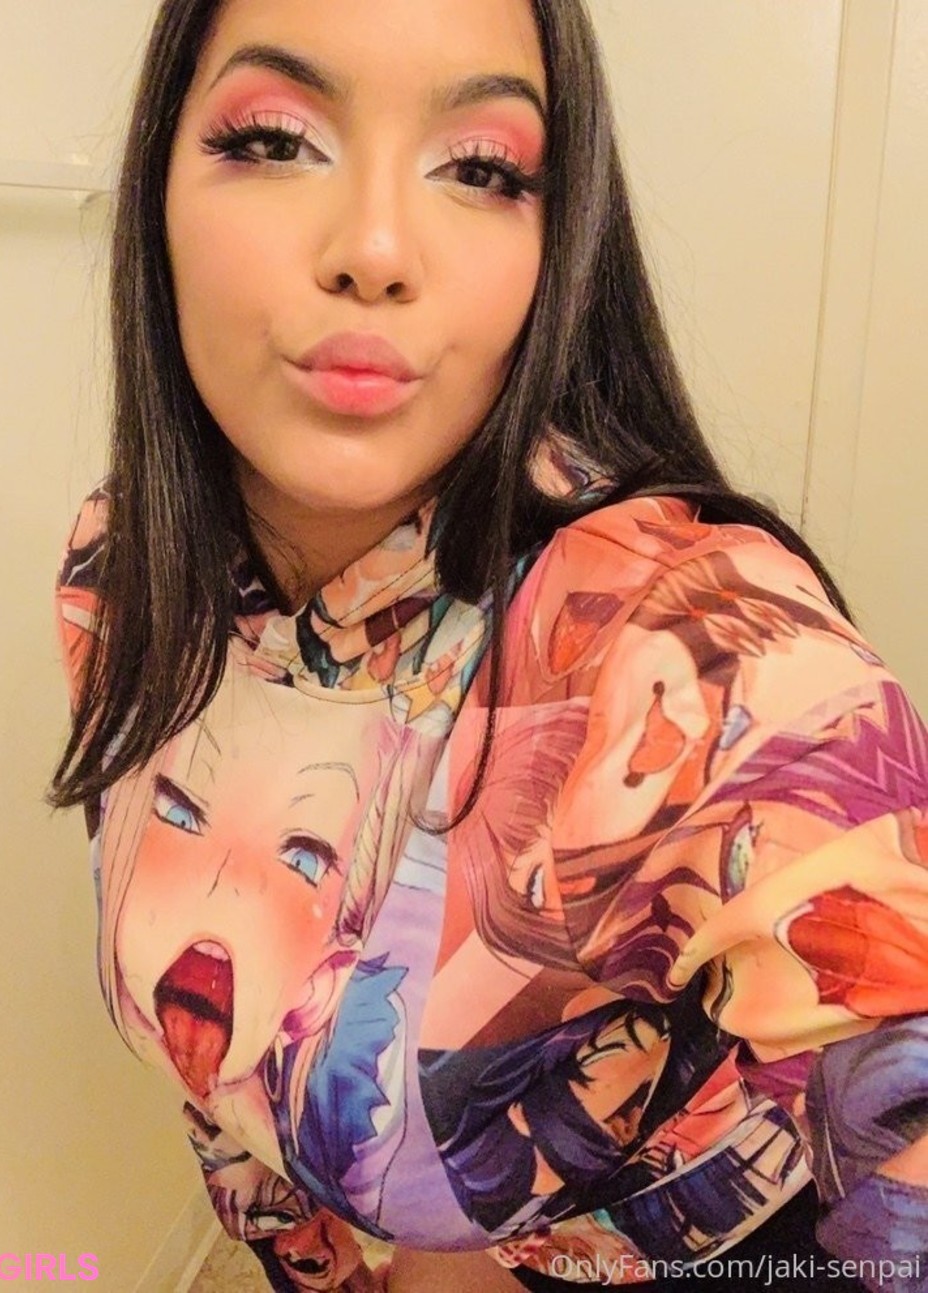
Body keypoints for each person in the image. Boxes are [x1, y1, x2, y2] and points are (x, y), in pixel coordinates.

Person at [49, 1, 928, 1290]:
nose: (375, 250)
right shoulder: (122, 571)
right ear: (158, 191)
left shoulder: (689, 656)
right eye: (277, 140)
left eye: (480, 168)